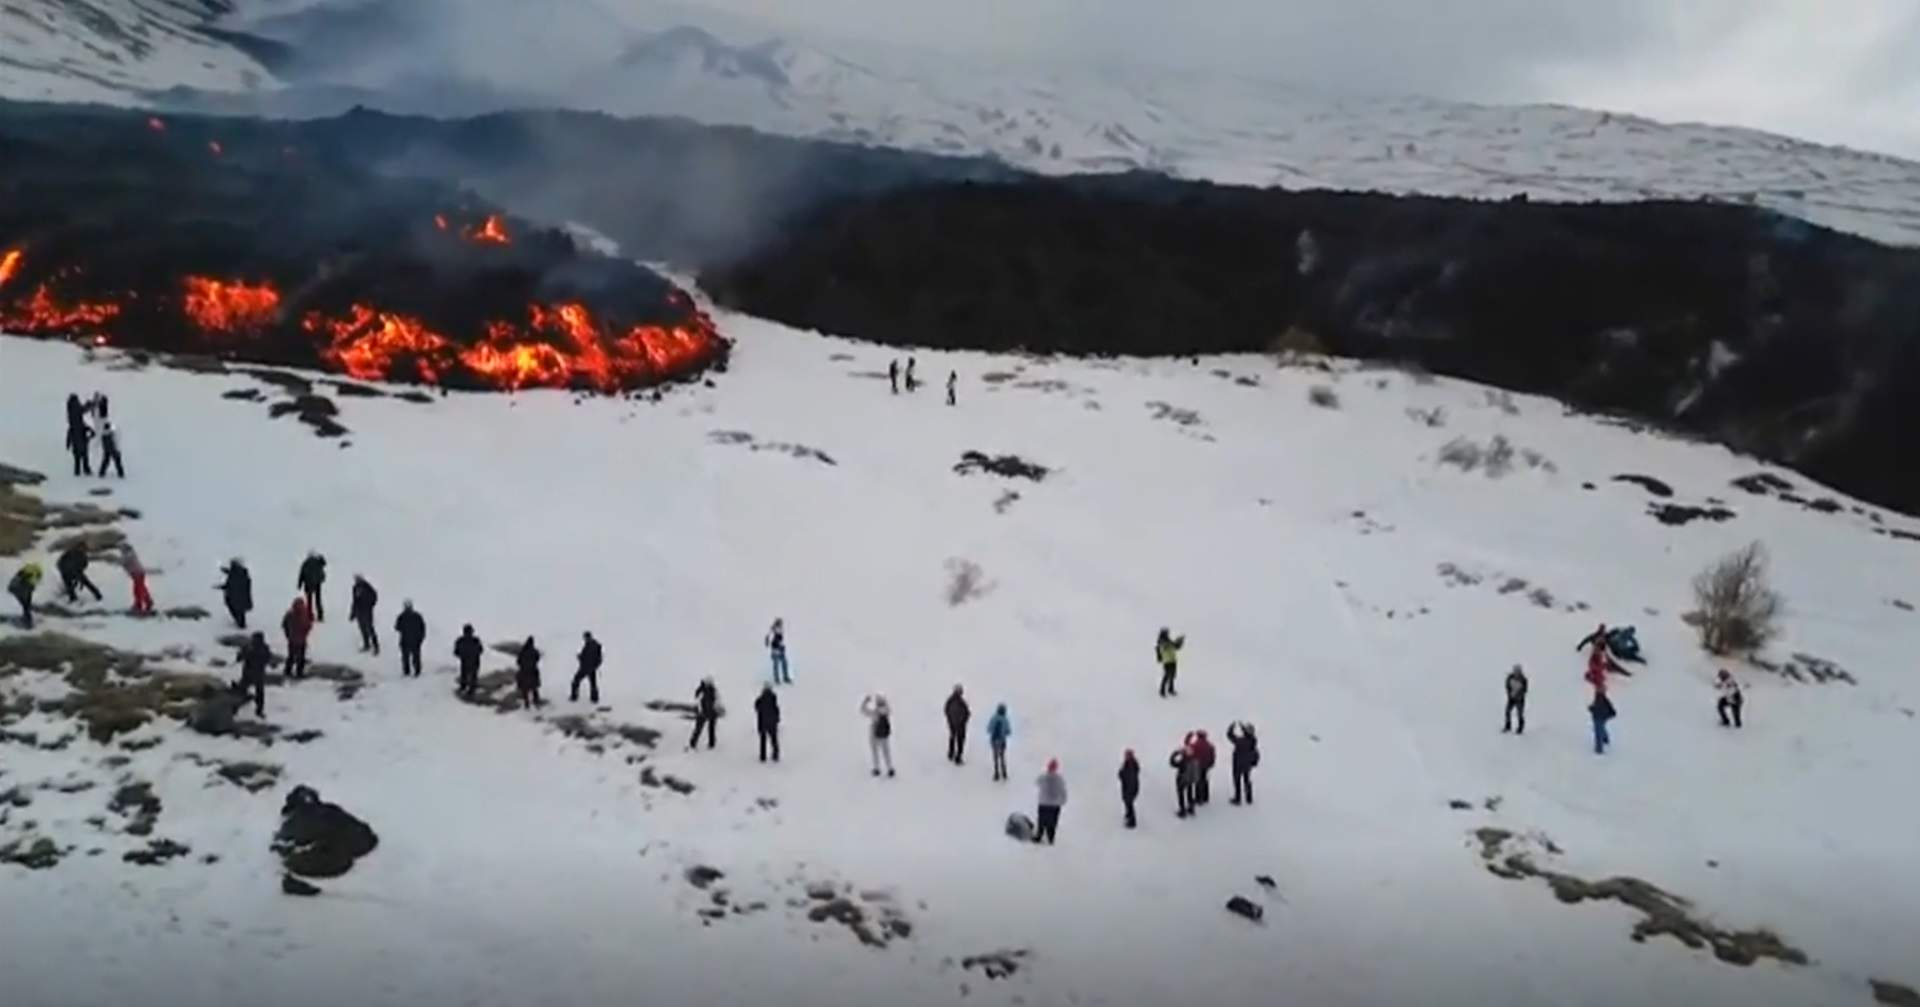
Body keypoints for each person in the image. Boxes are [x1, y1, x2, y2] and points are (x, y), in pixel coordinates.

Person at [236, 631, 272, 717]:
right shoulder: (264, 648)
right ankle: (259, 710)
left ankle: (235, 707)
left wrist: (243, 655)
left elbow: (240, 657)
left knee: (241, 691)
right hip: (258, 673)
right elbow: (267, 658)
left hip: (249, 673)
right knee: (259, 693)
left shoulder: (249, 647)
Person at [1033, 759, 1067, 845]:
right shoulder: (1060, 779)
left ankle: (1039, 836)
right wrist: (1063, 801)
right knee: (1052, 822)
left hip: (1043, 803)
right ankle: (1051, 838)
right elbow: (1063, 791)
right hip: (1055, 804)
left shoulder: (1043, 777)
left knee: (1042, 820)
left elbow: (1036, 782)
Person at [861, 694, 895, 777]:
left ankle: (877, 769)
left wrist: (865, 701)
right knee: (886, 752)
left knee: (875, 752)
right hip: (884, 736)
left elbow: (863, 710)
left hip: (874, 735)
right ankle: (890, 768)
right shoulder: (887, 711)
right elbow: (889, 709)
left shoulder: (874, 713)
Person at [1226, 722, 1259, 805]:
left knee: (1237, 781)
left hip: (1238, 764)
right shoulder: (1253, 740)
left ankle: (1237, 798)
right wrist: (1243, 727)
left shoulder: (1241, 741)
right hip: (1247, 765)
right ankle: (1249, 798)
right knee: (1247, 780)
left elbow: (1231, 736)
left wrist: (1231, 728)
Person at [281, 596, 313, 679]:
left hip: (292, 639)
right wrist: (305, 634)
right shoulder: (304, 615)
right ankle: (299, 672)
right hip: (301, 640)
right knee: (300, 657)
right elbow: (308, 625)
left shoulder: (290, 614)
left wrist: (288, 634)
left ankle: (288, 671)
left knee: (291, 656)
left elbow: (284, 625)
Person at [394, 601, 426, 677]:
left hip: (406, 640)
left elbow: (397, 627)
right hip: (414, 640)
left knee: (406, 657)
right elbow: (422, 628)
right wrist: (421, 638)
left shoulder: (401, 616)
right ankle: (416, 670)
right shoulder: (417, 616)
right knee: (415, 656)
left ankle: (407, 671)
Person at [350, 575, 379, 654]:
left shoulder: (367, 587)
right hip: (359, 611)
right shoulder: (355, 588)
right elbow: (354, 601)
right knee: (362, 629)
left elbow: (374, 597)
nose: (356, 581)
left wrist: (369, 605)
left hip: (367, 611)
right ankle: (366, 644)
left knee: (370, 628)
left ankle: (376, 646)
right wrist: (353, 613)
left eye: (358, 579)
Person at [219, 558, 252, 628]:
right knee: (237, 610)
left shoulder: (238, 574)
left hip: (235, 598)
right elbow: (233, 577)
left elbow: (234, 584)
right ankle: (240, 623)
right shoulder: (240, 573)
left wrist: (225, 587)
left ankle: (241, 625)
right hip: (237, 598)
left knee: (236, 610)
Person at [572, 631, 603, 703]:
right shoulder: (595, 645)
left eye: (585, 638)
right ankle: (594, 698)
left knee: (576, 680)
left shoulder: (590, 646)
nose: (584, 639)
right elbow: (598, 658)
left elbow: (586, 657)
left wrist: (580, 657)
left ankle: (574, 696)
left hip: (585, 668)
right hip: (592, 668)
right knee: (593, 684)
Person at [453, 624, 484, 697]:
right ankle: (471, 689)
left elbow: (456, 652)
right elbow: (480, 650)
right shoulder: (475, 640)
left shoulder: (460, 640)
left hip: (464, 661)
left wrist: (461, 655)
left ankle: (463, 686)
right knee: (473, 675)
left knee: (464, 673)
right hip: (475, 661)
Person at [690, 677, 720, 750]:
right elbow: (698, 700)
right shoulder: (702, 690)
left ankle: (711, 744)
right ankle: (693, 743)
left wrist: (716, 709)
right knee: (700, 729)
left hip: (710, 712)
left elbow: (716, 701)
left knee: (709, 729)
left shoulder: (712, 690)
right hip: (704, 712)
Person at [122, 546, 153, 615]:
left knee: (138, 590)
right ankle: (148, 601)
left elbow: (123, 562)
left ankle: (138, 604)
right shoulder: (131, 554)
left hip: (137, 574)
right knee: (141, 588)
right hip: (138, 573)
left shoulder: (128, 555)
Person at [8, 562, 41, 628]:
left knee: (26, 604)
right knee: (26, 604)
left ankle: (27, 621)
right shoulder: (29, 573)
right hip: (20, 587)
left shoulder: (27, 572)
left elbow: (32, 582)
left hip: (20, 587)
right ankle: (27, 621)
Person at [944, 685, 971, 765]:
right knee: (960, 741)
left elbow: (946, 710)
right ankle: (958, 757)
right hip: (960, 725)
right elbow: (967, 713)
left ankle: (951, 753)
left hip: (952, 724)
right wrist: (964, 721)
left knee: (952, 738)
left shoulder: (950, 700)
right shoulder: (962, 702)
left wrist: (950, 720)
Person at [297, 551, 327, 621]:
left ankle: (310, 616)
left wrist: (299, 584)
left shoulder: (305, 563)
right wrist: (321, 579)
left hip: (308, 584)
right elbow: (323, 566)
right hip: (317, 584)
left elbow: (301, 574)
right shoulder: (318, 562)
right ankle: (320, 616)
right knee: (318, 600)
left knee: (309, 601)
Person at [1169, 744, 1197, 818]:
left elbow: (1172, 763)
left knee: (1181, 794)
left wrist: (1175, 754)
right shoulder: (1194, 760)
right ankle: (1191, 808)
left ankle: (1182, 810)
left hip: (1182, 779)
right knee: (1190, 793)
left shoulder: (1183, 761)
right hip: (1190, 779)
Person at [755, 684, 781, 762]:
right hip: (772, 723)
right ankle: (775, 755)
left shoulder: (759, 700)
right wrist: (777, 720)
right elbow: (776, 710)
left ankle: (763, 756)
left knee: (763, 740)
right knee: (774, 739)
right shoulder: (773, 699)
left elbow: (757, 708)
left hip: (763, 723)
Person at [1156, 628, 1186, 697]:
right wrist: (1177, 642)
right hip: (1167, 661)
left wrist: (1180, 641)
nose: (1168, 634)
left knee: (1172, 675)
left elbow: (1176, 647)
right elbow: (1170, 645)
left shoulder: (1167, 640)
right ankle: (1162, 690)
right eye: (1167, 633)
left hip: (1172, 660)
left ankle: (1171, 689)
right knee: (1167, 675)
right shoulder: (1161, 641)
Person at [985, 702, 1011, 781]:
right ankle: (1004, 773)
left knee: (995, 757)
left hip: (994, 740)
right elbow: (1008, 731)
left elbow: (989, 729)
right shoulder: (1005, 719)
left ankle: (996, 773)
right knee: (1002, 756)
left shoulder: (993, 718)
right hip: (1002, 741)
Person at [514, 637, 542, 709]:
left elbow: (518, 661)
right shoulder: (535, 651)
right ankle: (536, 701)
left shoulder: (523, 651)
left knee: (524, 689)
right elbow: (537, 658)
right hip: (533, 671)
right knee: (534, 688)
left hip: (524, 672)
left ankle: (527, 703)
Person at [1191, 729, 1217, 806]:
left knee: (1198, 781)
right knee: (1205, 780)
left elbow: (1191, 754)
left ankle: (1199, 797)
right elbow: (1213, 755)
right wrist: (1211, 763)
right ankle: (1205, 797)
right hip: (1206, 765)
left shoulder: (1195, 745)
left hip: (1197, 765)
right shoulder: (1210, 745)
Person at [1118, 749, 1141, 828]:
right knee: (1127, 802)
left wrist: (1121, 773)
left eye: (1127, 755)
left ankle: (1132, 822)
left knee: (1129, 803)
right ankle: (1128, 814)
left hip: (1130, 789)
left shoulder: (1131, 765)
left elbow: (1130, 779)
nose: (1125, 756)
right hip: (1127, 787)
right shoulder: (1127, 764)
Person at [1503, 665, 1529, 734]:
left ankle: (1520, 727)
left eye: (1518, 671)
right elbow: (1507, 686)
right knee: (1507, 711)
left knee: (1519, 713)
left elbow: (1525, 690)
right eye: (1515, 671)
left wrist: (1518, 695)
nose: (1516, 673)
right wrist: (1509, 694)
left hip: (1519, 700)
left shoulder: (1523, 680)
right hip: (1511, 699)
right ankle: (1508, 726)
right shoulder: (1510, 678)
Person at [765, 618, 790, 685]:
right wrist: (769, 643)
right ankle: (777, 679)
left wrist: (783, 646)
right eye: (780, 623)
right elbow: (768, 638)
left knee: (784, 663)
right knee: (776, 664)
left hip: (780, 649)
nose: (781, 625)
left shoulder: (781, 630)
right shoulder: (772, 630)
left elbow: (781, 640)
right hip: (775, 650)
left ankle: (785, 677)